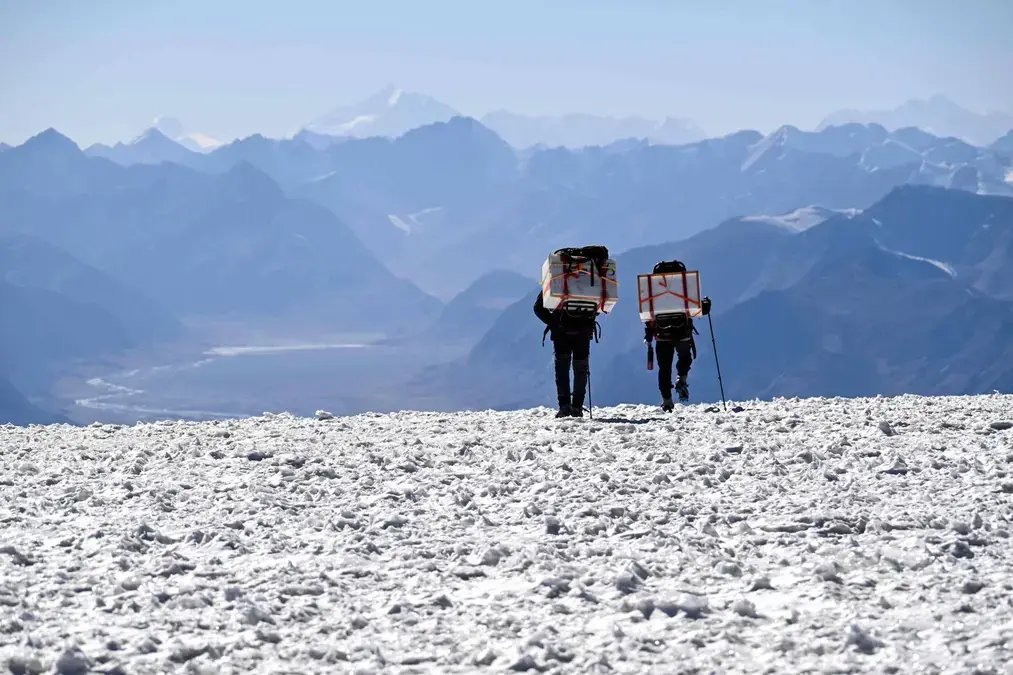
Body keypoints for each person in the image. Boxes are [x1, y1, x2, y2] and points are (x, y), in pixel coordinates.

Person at [533, 291, 598, 418]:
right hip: (583, 332)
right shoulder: (590, 281)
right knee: (581, 368)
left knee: (562, 369)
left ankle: (564, 407)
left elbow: (538, 308)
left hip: (561, 332)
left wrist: (553, 322)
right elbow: (598, 307)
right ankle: (577, 407)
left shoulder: (556, 279)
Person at [644, 296, 711, 411]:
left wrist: (649, 333)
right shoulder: (686, 290)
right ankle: (682, 379)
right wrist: (705, 305)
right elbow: (698, 310)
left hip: (662, 335)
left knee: (664, 368)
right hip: (683, 333)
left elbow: (646, 313)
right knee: (685, 357)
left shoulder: (654, 293)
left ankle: (667, 401)